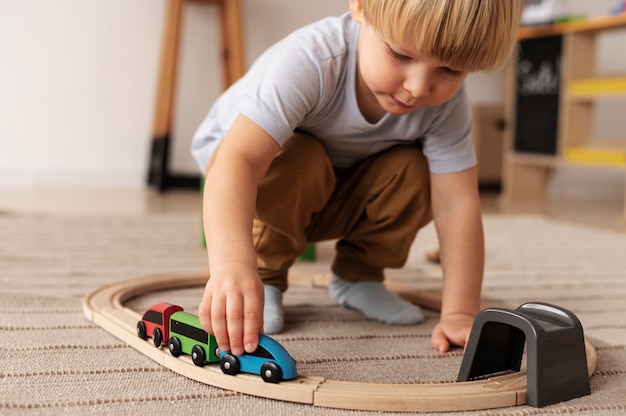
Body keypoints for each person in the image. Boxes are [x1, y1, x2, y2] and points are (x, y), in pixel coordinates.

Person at [191, 0, 523, 357]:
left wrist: (460, 312)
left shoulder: (444, 107)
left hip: (338, 186)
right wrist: (232, 266)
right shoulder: (312, 60)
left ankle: (359, 275)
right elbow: (238, 161)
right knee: (302, 156)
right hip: (247, 182)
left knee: (419, 170)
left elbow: (456, 203)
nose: (418, 87)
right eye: (400, 55)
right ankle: (265, 273)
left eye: (450, 70)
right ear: (361, 6)